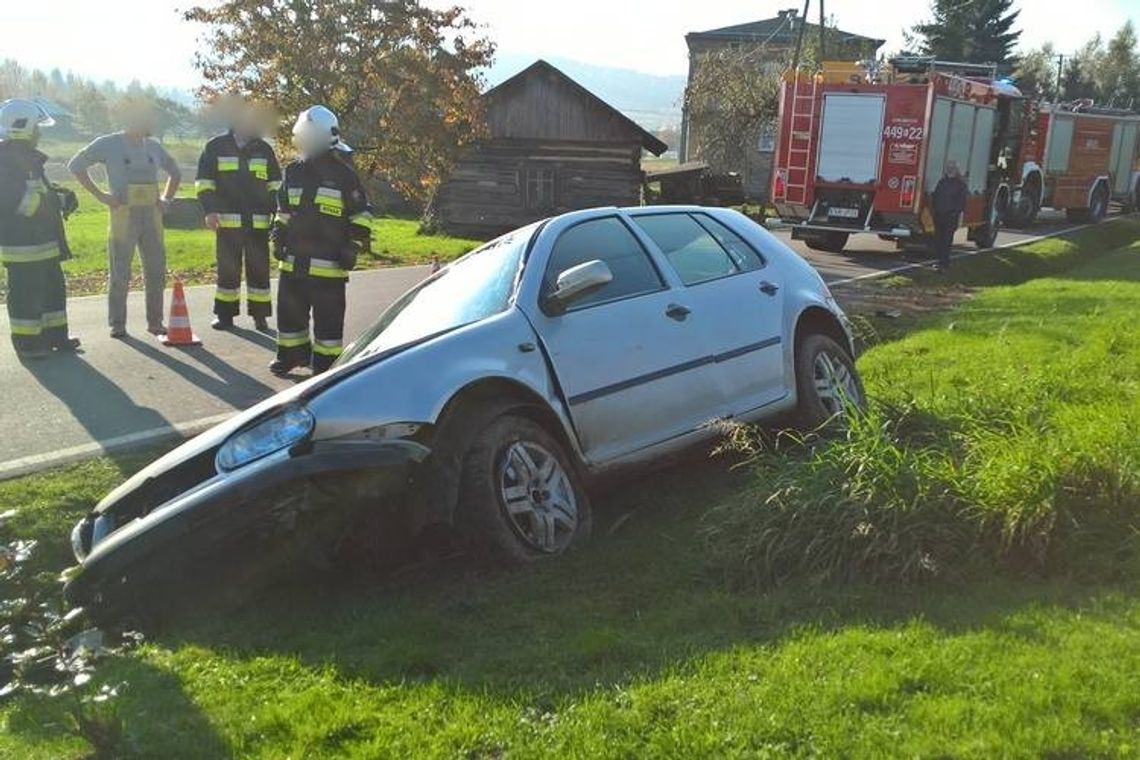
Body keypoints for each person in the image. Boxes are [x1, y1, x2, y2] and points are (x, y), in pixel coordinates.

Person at [269, 105, 371, 376]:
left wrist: (353, 246)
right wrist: (277, 236)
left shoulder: (344, 174)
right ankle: (291, 356)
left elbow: (361, 215)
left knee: (328, 323)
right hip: (293, 264)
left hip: (329, 266)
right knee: (290, 316)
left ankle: (325, 366)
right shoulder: (293, 171)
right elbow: (283, 211)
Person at [68, 98, 181, 338]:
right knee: (120, 272)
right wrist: (101, 196)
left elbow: (175, 172)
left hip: (152, 216)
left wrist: (166, 199)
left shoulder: (154, 146)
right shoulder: (108, 144)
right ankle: (117, 324)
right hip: (122, 215)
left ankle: (155, 323)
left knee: (156, 270)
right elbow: (76, 165)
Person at [0, 99, 81, 359]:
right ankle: (27, 343)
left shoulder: (28, 158)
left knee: (52, 288)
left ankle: (55, 336)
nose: (40, 132)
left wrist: (62, 195)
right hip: (22, 244)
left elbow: (40, 191)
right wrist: (52, 201)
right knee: (26, 293)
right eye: (37, 127)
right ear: (22, 127)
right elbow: (18, 203)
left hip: (43, 241)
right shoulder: (5, 161)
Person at [196, 97, 281, 331]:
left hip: (259, 223)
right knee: (227, 271)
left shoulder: (264, 149)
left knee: (259, 271)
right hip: (227, 222)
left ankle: (260, 316)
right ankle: (225, 316)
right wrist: (210, 210)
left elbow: (275, 185)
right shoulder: (215, 147)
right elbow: (204, 183)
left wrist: (278, 216)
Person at [929, 160, 968, 271]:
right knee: (938, 240)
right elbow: (935, 196)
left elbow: (962, 203)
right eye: (948, 167)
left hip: (951, 217)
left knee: (946, 241)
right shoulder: (942, 182)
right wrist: (934, 211)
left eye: (953, 167)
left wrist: (956, 215)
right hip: (939, 215)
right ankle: (939, 262)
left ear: (957, 170)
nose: (950, 169)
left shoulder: (960, 184)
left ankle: (944, 264)